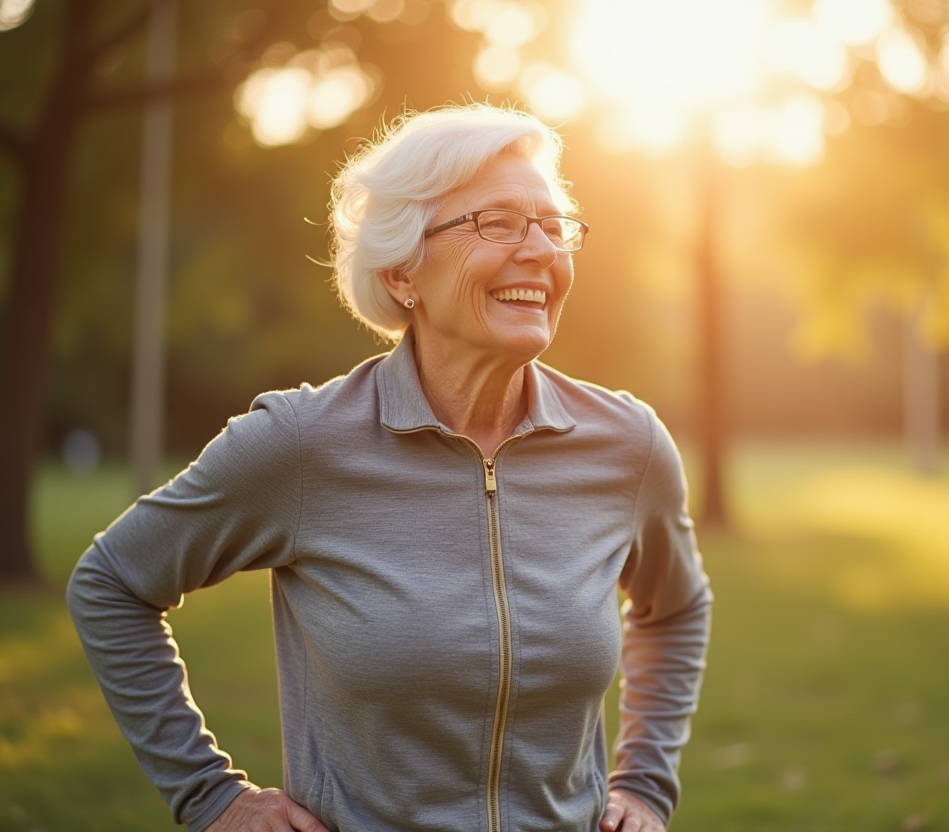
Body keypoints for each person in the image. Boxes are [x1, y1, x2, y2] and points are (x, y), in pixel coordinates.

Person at [68, 103, 711, 832]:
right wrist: (211, 796)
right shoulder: (302, 444)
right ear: (404, 270)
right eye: (498, 222)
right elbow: (112, 583)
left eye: (553, 223)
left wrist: (646, 785)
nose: (539, 250)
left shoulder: (627, 444)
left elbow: (677, 607)